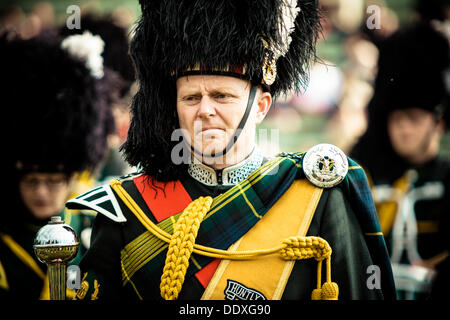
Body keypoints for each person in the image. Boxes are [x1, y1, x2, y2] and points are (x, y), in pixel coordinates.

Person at [67, 0, 395, 301]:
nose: (205, 110)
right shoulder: (126, 207)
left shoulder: (318, 197)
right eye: (191, 98)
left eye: (222, 96)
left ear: (261, 106)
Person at [0, 30, 116, 299]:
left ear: (71, 178)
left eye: (53, 181)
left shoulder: (92, 229)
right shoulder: (5, 240)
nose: (41, 192)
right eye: (32, 181)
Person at [350, 22, 450, 300]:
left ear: (438, 123)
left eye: (415, 119)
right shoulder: (365, 173)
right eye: (397, 119)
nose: (404, 129)